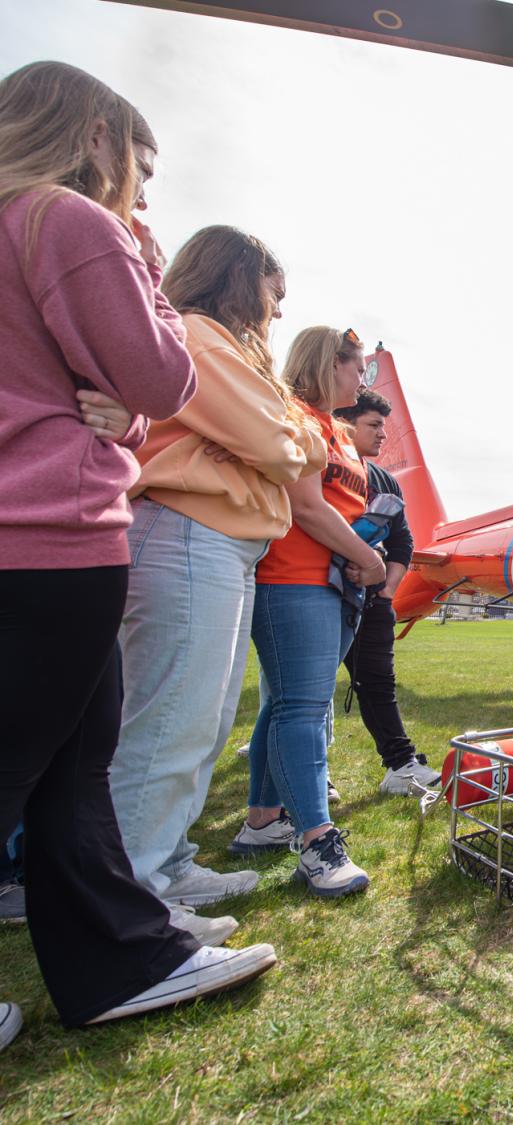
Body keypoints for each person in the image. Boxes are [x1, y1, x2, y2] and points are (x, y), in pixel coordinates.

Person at [0, 60, 275, 1040]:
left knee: (71, 765)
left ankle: (120, 955)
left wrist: (113, 420)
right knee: (39, 762)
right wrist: (143, 265)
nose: (142, 193)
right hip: (52, 532)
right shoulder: (70, 223)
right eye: (140, 168)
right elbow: (161, 378)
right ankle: (122, 950)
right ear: (97, 141)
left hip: (23, 528)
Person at [108, 226, 321, 925]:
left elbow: (301, 440)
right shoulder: (199, 335)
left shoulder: (226, 352)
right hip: (189, 532)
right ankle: (132, 891)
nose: (277, 310)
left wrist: (280, 434)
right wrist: (278, 436)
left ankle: (164, 863)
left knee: (199, 721)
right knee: (170, 720)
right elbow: (282, 448)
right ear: (238, 278)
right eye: (271, 291)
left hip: (220, 543)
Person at [230, 326, 384, 897]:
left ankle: (264, 820)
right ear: (329, 363)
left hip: (333, 583)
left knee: (286, 703)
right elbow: (306, 507)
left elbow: (341, 505)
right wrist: (367, 556)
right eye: (356, 367)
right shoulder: (295, 416)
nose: (361, 378)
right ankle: (317, 843)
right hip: (292, 579)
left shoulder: (339, 432)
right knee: (302, 708)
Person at [332, 388, 439, 796]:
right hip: (319, 593)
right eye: (374, 426)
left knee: (377, 682)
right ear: (346, 424)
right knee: (306, 692)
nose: (383, 435)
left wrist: (385, 589)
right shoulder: (328, 468)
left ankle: (399, 763)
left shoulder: (384, 480)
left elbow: (403, 541)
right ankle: (303, 771)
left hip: (371, 602)